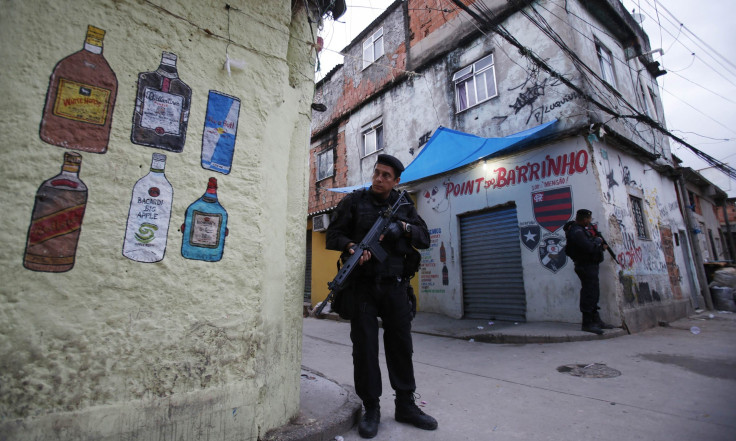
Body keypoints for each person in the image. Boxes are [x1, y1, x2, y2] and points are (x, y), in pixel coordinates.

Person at [326, 154, 438, 439]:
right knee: (364, 349)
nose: (379, 178)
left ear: (396, 181)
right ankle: (371, 408)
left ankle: (405, 405)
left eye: (386, 175)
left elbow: (424, 237)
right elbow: (333, 235)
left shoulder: (403, 205)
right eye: (377, 173)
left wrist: (402, 228)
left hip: (395, 286)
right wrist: (351, 246)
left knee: (401, 345)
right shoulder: (354, 201)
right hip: (362, 287)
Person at [563, 209, 615, 335]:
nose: (590, 221)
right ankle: (587, 323)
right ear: (585, 218)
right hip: (585, 265)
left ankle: (596, 320)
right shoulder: (577, 231)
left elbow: (590, 246)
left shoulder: (581, 230)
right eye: (589, 219)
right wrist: (597, 242)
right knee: (589, 293)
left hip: (590, 265)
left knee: (594, 292)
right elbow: (588, 247)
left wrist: (599, 245)